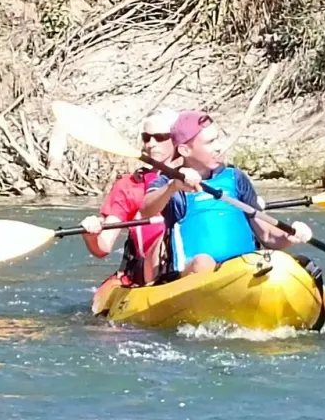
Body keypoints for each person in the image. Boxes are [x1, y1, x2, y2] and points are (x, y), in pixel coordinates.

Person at [139, 110, 311, 275]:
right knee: (203, 262)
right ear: (185, 150)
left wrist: (288, 236)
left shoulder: (235, 178)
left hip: (243, 270)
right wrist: (173, 187)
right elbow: (146, 209)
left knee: (285, 262)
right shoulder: (169, 181)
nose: (219, 147)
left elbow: (267, 234)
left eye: (217, 139)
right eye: (210, 142)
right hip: (194, 275)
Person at [81, 109, 179, 315]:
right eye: (146, 138)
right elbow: (103, 247)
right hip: (145, 273)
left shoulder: (199, 177)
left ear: (178, 140)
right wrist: (90, 235)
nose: (151, 144)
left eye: (160, 137)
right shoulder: (129, 185)